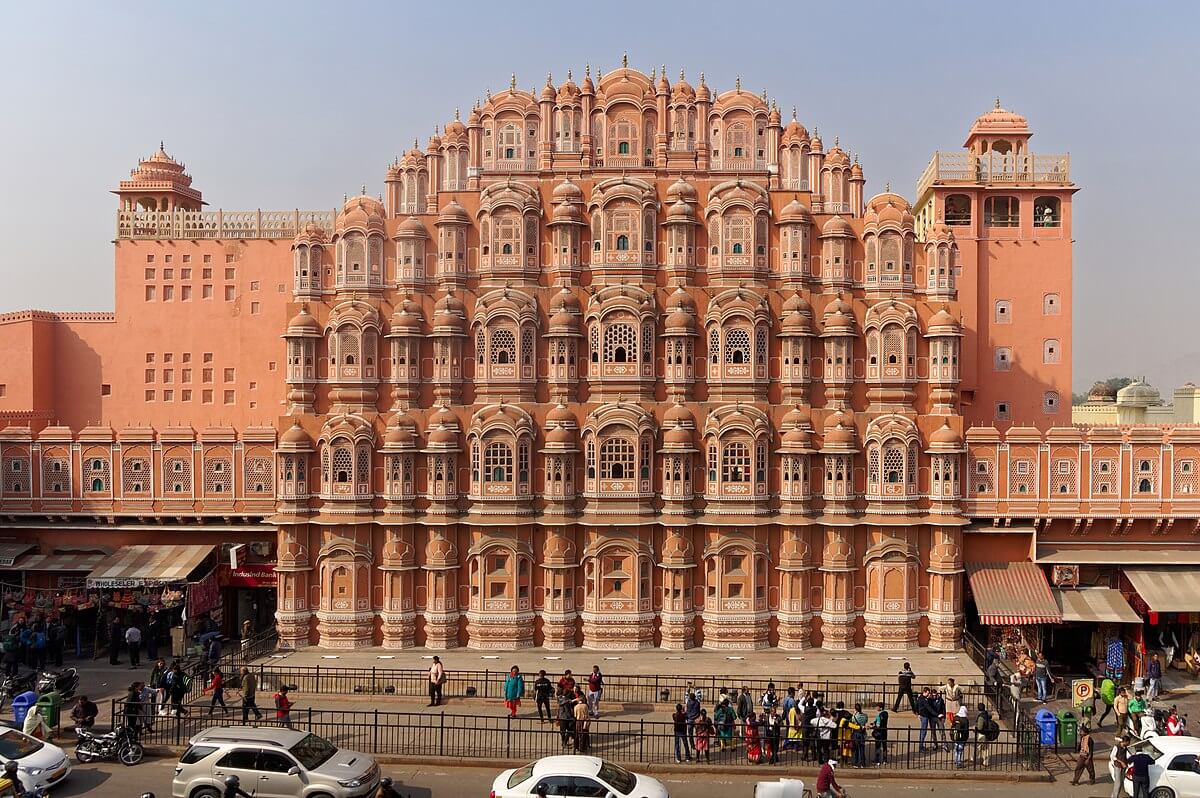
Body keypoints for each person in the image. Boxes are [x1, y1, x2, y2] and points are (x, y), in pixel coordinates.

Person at [974, 702, 996, 767]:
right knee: (986, 748)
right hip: (987, 733)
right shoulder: (986, 714)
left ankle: (974, 757)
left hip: (982, 734)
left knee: (979, 746)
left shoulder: (981, 716)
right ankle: (986, 762)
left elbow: (980, 727)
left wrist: (976, 728)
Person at [915, 687, 934, 751]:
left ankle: (921, 745)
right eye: (928, 693)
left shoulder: (920, 698)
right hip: (924, 716)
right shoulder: (923, 699)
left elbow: (916, 706)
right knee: (923, 731)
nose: (928, 695)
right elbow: (929, 708)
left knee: (922, 731)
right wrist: (937, 714)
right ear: (924, 692)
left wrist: (918, 713)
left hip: (922, 715)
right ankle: (921, 746)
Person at [850, 703, 868, 768]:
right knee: (862, 748)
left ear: (855, 709)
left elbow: (852, 722)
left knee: (856, 749)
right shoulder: (865, 716)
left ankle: (856, 763)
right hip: (862, 733)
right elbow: (866, 721)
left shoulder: (854, 717)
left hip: (856, 733)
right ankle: (863, 763)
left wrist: (854, 714)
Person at [572, 688, 590, 753]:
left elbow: (575, 715)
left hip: (578, 721)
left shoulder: (576, 707)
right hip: (584, 721)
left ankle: (576, 746)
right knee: (584, 735)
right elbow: (587, 714)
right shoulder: (585, 706)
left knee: (577, 734)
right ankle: (583, 747)